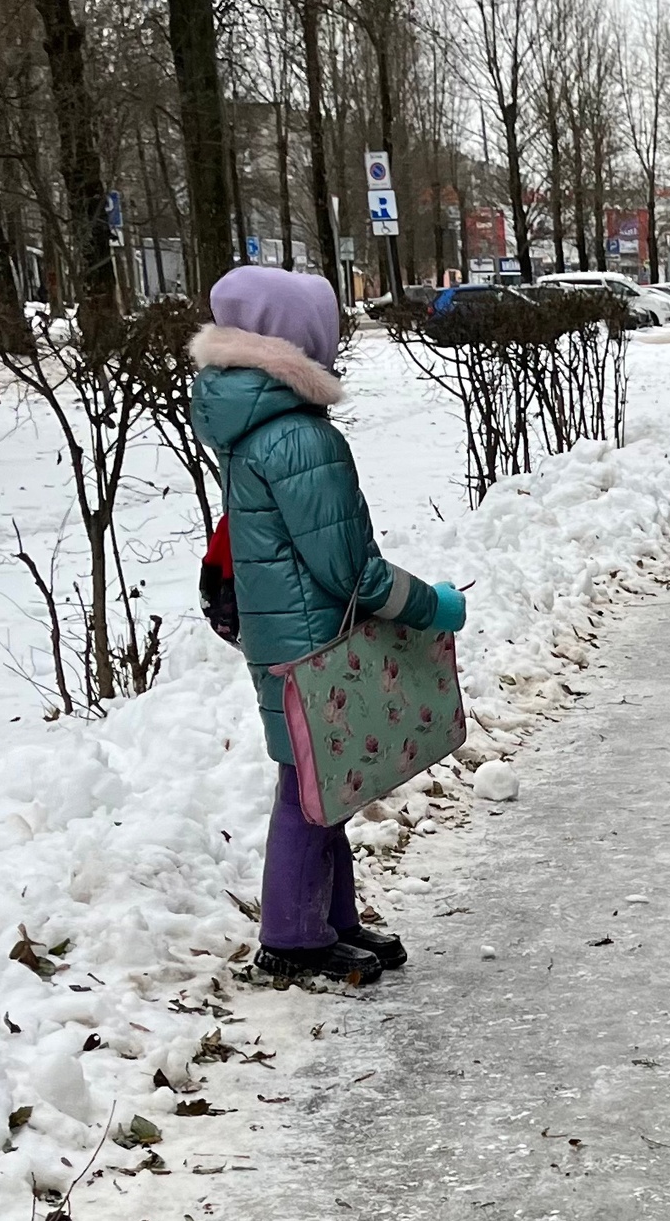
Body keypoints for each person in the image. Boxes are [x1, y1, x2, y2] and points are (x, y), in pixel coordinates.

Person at [191, 268, 467, 985]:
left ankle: (329, 922)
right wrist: (432, 605)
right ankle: (292, 936)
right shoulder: (299, 439)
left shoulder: (261, 423)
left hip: (287, 632)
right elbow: (353, 573)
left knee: (323, 784)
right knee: (308, 794)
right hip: (311, 639)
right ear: (302, 340)